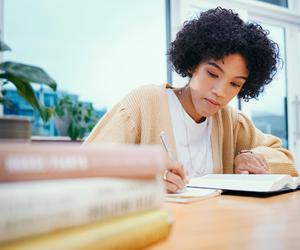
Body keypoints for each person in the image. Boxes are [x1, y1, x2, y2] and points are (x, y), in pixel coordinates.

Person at [84, 7, 298, 193]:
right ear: (192, 65)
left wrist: (251, 156)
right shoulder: (144, 103)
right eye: (212, 74)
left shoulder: (231, 121)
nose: (220, 92)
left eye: (235, 84)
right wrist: (145, 180)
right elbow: (86, 165)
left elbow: (286, 161)